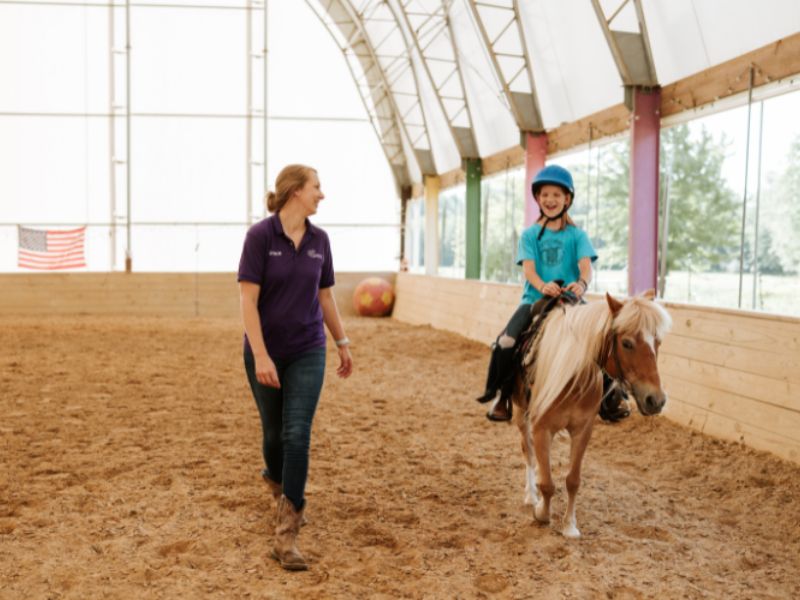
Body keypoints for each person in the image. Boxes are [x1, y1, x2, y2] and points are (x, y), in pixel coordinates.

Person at [238, 164, 353, 571]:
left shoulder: (321, 240)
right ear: (294, 193)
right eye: (316, 188)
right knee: (273, 435)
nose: (321, 195)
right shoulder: (259, 237)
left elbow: (325, 298)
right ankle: (276, 480)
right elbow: (248, 302)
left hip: (308, 349)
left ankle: (287, 532)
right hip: (264, 351)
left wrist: (341, 342)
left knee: (297, 434)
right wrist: (262, 354)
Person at [476, 164, 629, 423]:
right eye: (545, 194)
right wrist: (542, 286)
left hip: (571, 302)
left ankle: (613, 395)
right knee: (506, 343)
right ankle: (501, 396)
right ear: (537, 198)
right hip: (534, 301)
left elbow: (585, 267)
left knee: (604, 339)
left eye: (557, 195)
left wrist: (581, 283)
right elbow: (529, 270)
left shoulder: (577, 235)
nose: (550, 200)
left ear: (567, 199)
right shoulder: (530, 235)